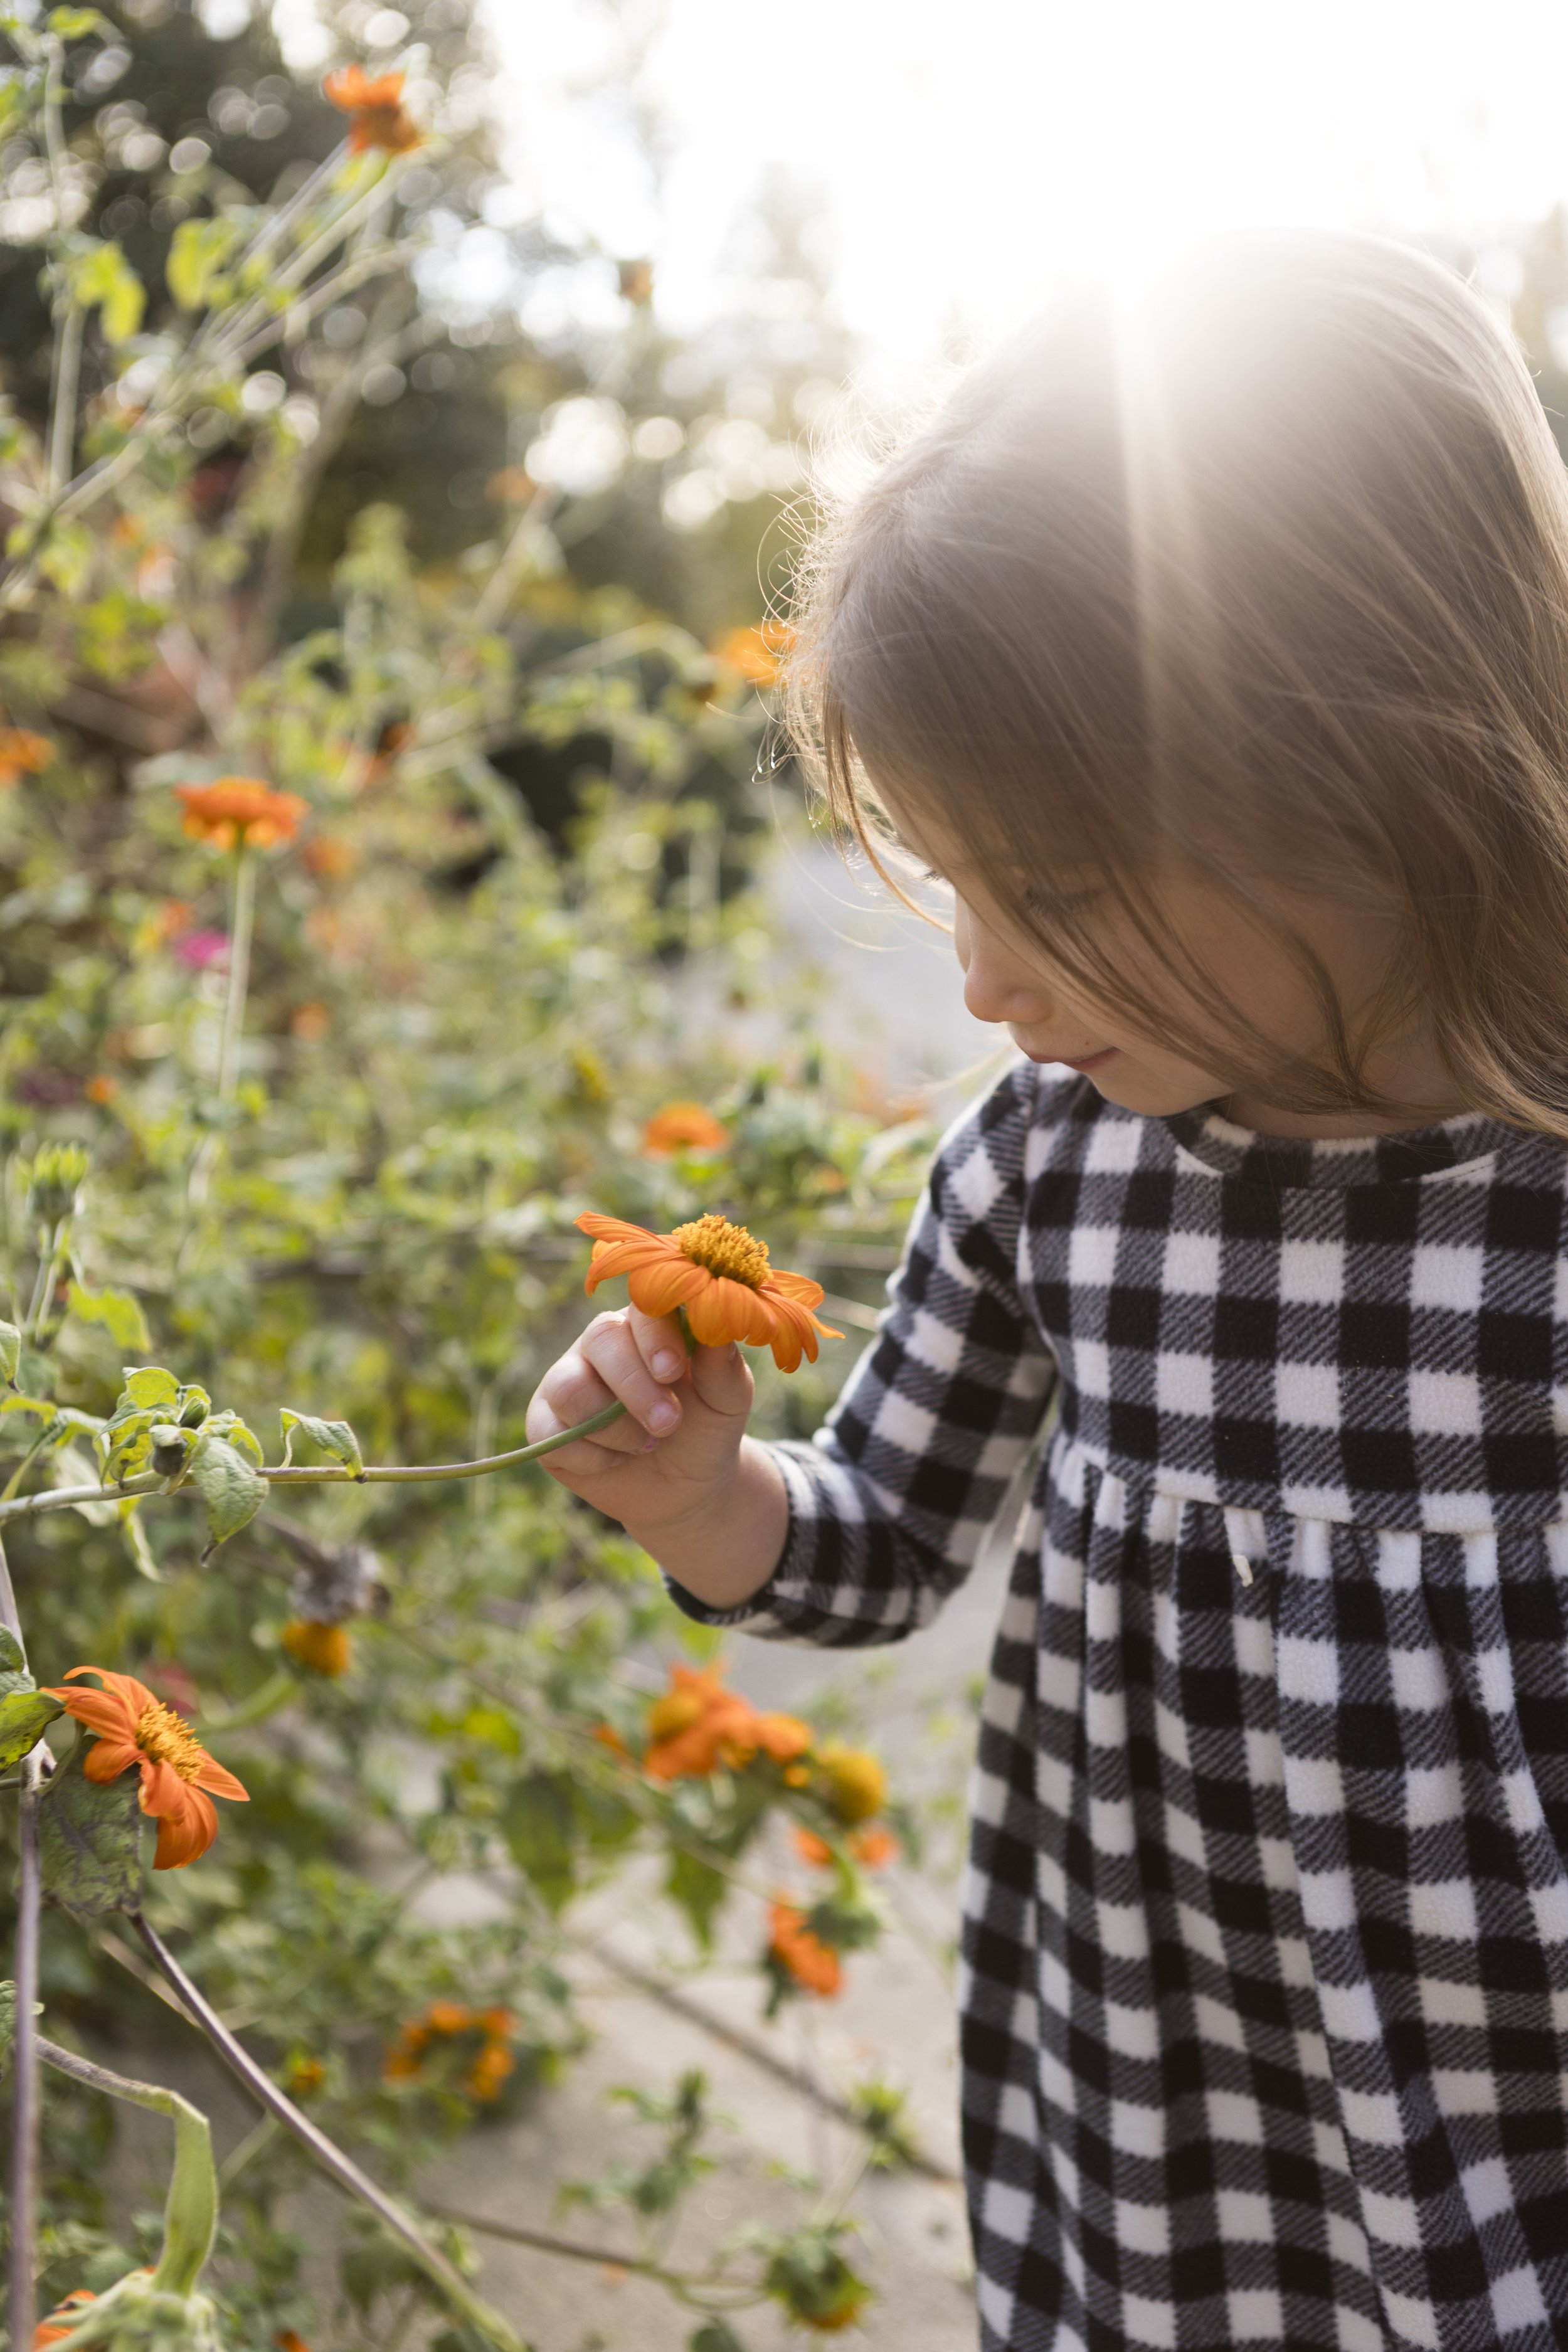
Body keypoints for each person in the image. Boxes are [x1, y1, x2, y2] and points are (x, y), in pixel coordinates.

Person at [525, 233, 1568, 2352]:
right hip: (1164, 2083)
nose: (985, 985)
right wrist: (698, 1500)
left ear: (1382, 766)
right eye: (960, 890)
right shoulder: (1046, 1163)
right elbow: (892, 1532)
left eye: (1061, 896)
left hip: (1508, 2129)